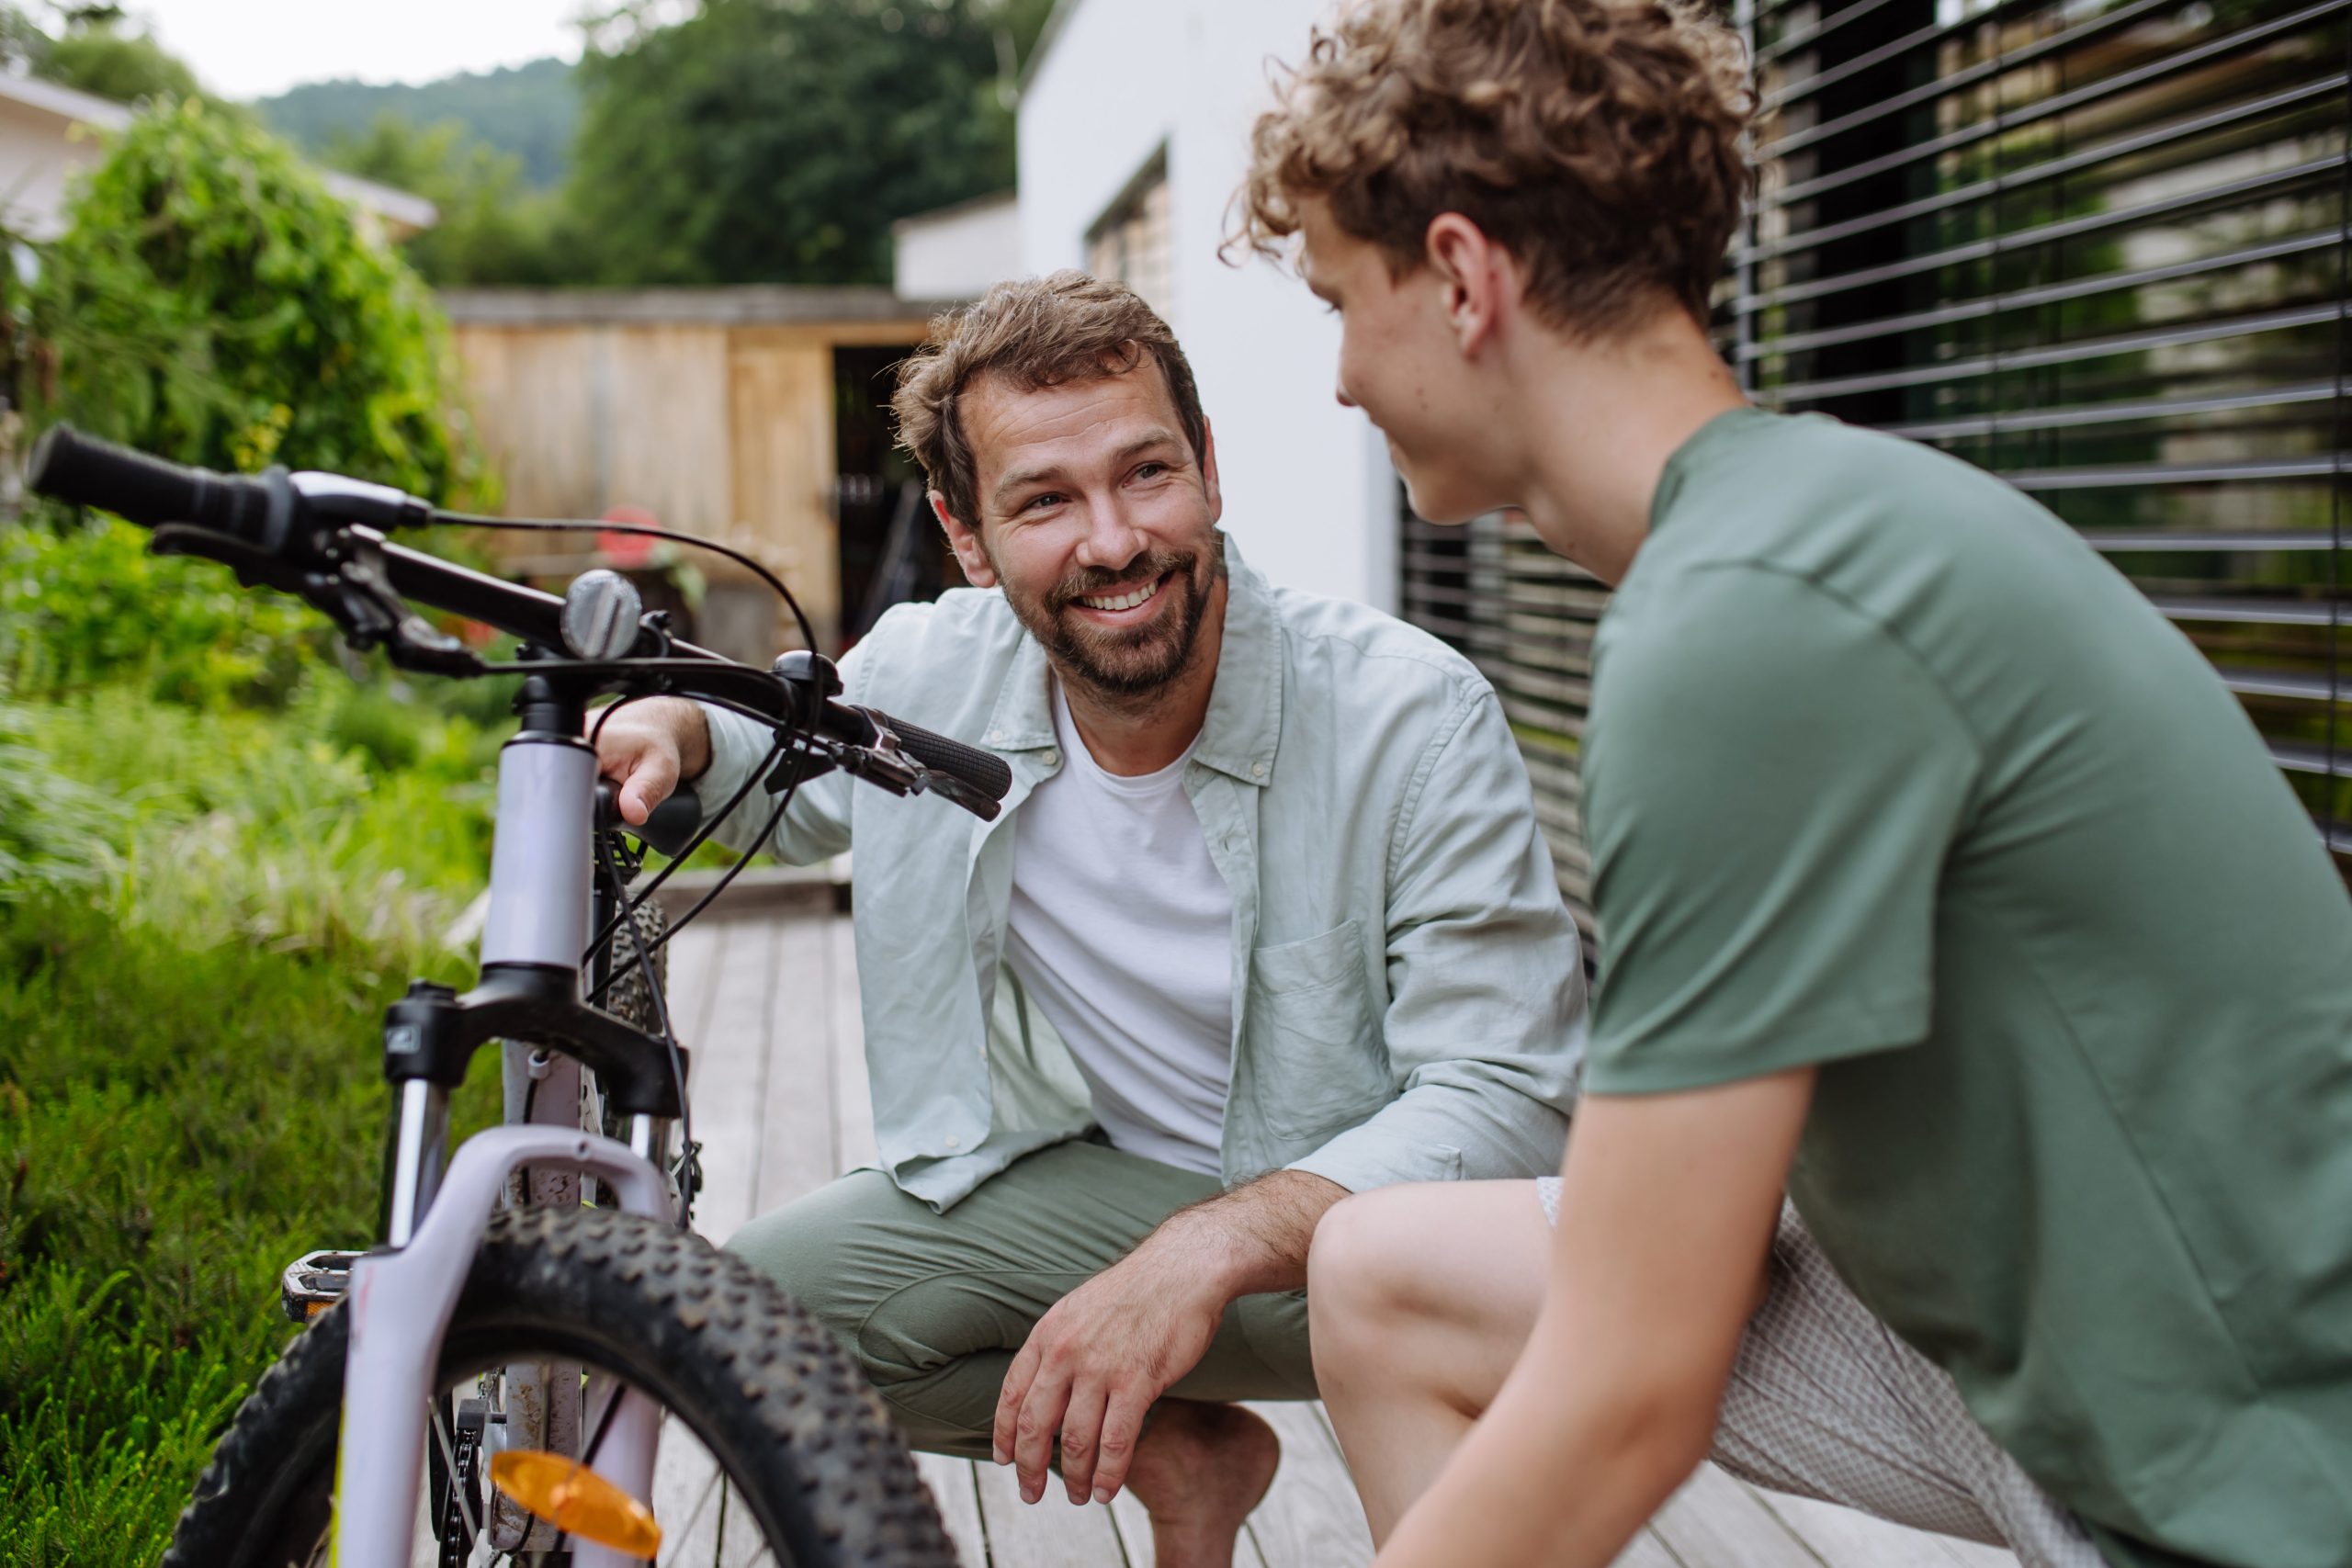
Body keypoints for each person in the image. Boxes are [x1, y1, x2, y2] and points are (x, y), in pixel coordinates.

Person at [1231, 3, 2352, 1566]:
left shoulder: (1752, 620)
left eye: (1347, 302)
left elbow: (1632, 1391)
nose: (1344, 380)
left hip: (2253, 1476)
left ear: (1464, 278)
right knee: (1384, 1274)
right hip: (2020, 1337)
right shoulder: (1781, 535)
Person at [594, 272, 1587, 1568]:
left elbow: (1514, 1095)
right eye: (1046, 501)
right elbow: (766, 767)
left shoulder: (1412, 714)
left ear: (1211, 469)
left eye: (1146, 474)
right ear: (966, 532)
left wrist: (1209, 1249)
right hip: (1110, 1208)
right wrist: (666, 725)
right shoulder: (926, 673)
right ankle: (1190, 1454)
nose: (1114, 540)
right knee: (748, 1323)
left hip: (1385, 1250)